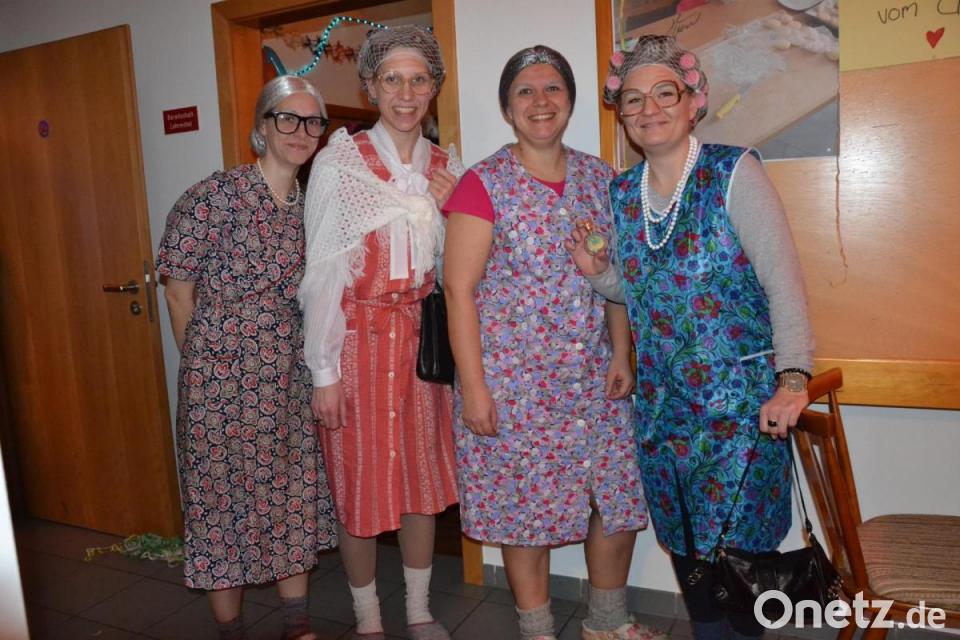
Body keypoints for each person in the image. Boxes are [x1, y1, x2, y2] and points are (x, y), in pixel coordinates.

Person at [567, 35, 816, 640]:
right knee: (688, 556)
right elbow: (641, 290)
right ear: (622, 115)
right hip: (662, 413)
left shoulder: (734, 172)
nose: (649, 109)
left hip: (739, 413)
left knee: (741, 561)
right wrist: (599, 274)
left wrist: (792, 378)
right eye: (633, 99)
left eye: (664, 93)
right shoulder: (622, 193)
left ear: (692, 101)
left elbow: (782, 277)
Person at [443, 46, 664, 640]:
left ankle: (607, 623)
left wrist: (621, 352)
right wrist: (474, 389)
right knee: (524, 511)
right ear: (507, 108)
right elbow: (458, 291)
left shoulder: (602, 179)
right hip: (514, 384)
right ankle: (537, 629)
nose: (541, 102)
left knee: (615, 496)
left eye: (553, 89)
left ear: (570, 101)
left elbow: (614, 275)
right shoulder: (482, 184)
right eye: (526, 91)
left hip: (594, 376)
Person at [158, 75, 337, 640]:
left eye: (312, 122)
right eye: (288, 118)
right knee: (220, 504)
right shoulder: (216, 195)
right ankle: (231, 631)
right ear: (263, 126)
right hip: (219, 379)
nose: (301, 131)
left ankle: (296, 624)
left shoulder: (311, 205)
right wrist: (207, 366)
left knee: (291, 493)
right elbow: (177, 291)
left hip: (287, 376)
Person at [298, 25, 462, 640]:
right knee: (358, 484)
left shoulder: (447, 166)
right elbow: (322, 272)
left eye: (418, 80)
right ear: (371, 85)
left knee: (420, 481)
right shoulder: (339, 163)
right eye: (392, 79)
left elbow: (453, 272)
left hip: (420, 347)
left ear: (434, 88)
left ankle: (417, 610)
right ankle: (368, 618)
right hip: (356, 344)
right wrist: (324, 372)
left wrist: (450, 211)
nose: (406, 93)